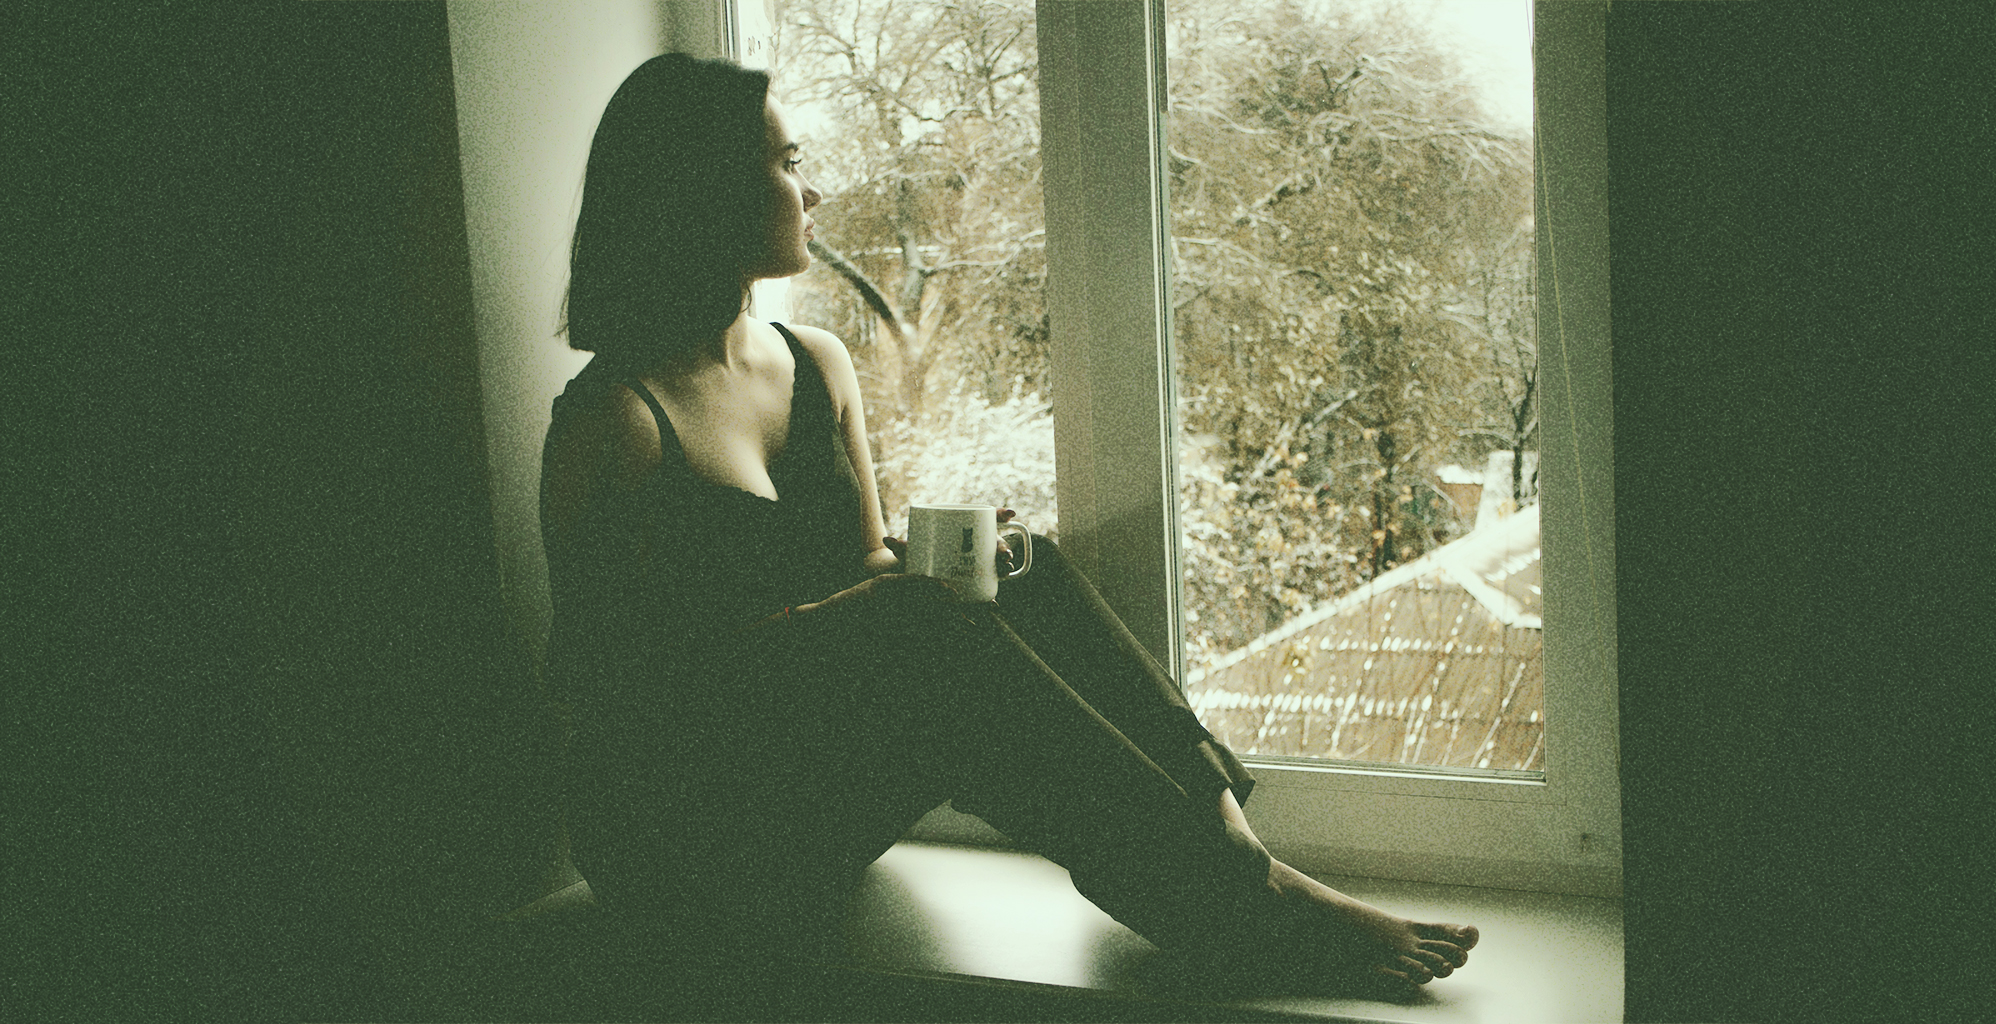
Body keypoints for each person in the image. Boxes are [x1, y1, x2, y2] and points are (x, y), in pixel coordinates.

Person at [540, 52, 1477, 997]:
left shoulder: (813, 362)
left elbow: (861, 561)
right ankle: (1241, 896)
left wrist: (929, 564)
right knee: (912, 620)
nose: (811, 185)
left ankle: (1228, 840)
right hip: (687, 841)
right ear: (701, 196)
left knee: (1015, 559)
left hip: (819, 795)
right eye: (786, 164)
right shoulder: (612, 423)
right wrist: (867, 613)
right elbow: (618, 694)